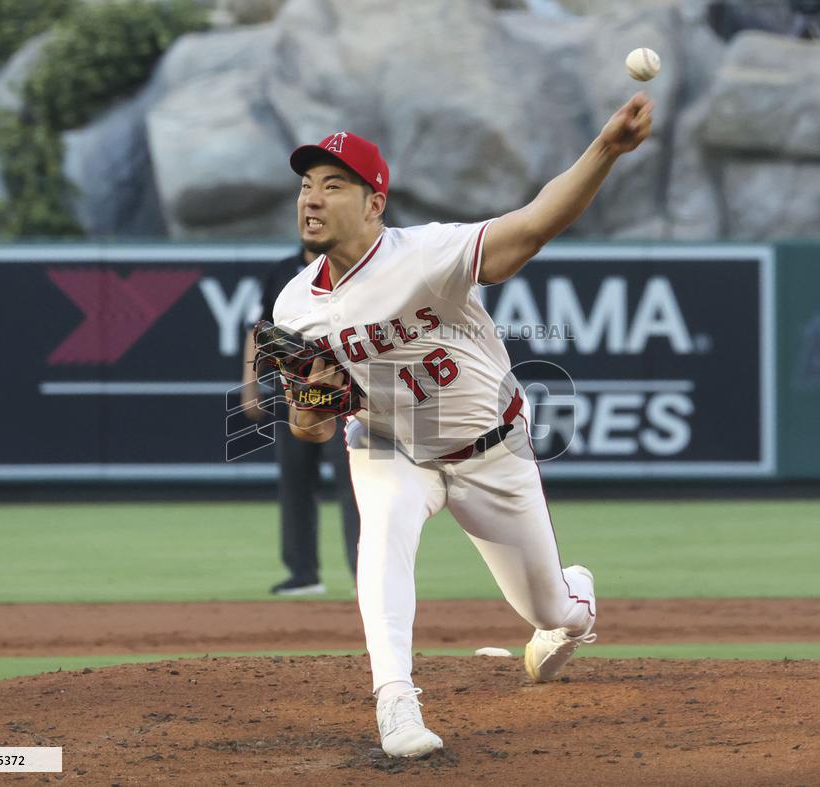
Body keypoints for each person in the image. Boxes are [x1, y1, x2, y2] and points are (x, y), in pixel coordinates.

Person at [271, 93, 653, 758]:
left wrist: (606, 150)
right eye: (306, 185)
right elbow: (309, 429)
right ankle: (395, 700)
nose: (312, 198)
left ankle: (573, 604)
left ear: (374, 203)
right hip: (390, 446)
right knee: (380, 536)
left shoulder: (425, 254)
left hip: (489, 452)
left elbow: (531, 228)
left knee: (549, 612)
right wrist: (312, 406)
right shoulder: (295, 304)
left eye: (334, 185)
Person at [242, 251, 360, 595]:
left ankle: (364, 575)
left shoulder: (359, 267)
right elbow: (258, 331)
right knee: (295, 482)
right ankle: (303, 574)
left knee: (356, 486)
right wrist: (249, 384)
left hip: (345, 396)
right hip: (294, 394)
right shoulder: (283, 273)